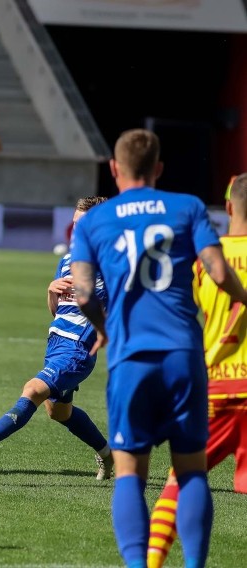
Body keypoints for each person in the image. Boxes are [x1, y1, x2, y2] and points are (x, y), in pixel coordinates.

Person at [70, 129, 247, 568]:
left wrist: (104, 328)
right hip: (184, 355)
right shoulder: (186, 207)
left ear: (114, 169)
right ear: (159, 169)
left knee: (130, 472)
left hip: (132, 358)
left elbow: (83, 292)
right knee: (191, 471)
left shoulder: (94, 221)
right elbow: (219, 271)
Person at [0, 196, 114, 480]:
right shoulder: (68, 260)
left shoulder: (110, 262)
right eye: (75, 223)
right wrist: (50, 290)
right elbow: (56, 310)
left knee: (31, 389)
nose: (76, 229)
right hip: (56, 344)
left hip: (78, 350)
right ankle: (107, 454)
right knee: (59, 413)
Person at [147, 173, 247, 568]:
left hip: (216, 389)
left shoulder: (206, 260)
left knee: (180, 480)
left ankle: (152, 563)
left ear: (230, 208)